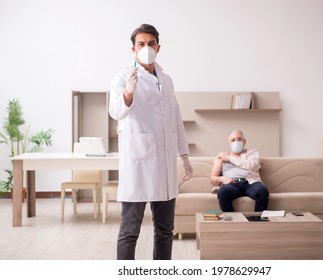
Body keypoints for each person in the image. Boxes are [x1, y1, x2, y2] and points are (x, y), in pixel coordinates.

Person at [109, 24, 193, 260]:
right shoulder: (122, 78)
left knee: (165, 230)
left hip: (165, 165)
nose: (146, 48)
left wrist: (184, 156)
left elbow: (175, 118)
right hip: (138, 163)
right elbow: (116, 112)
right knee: (129, 230)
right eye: (141, 44)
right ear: (133, 49)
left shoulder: (166, 80)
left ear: (158, 47)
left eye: (151, 43)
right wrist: (128, 92)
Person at [210, 130, 269, 212]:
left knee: (262, 190)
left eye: (239, 139)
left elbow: (251, 165)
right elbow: (213, 178)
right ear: (229, 144)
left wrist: (230, 158)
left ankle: (258, 221)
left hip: (251, 183)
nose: (236, 142)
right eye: (233, 140)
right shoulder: (221, 157)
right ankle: (231, 221)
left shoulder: (252, 153)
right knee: (223, 192)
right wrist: (222, 179)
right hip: (232, 184)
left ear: (244, 141)